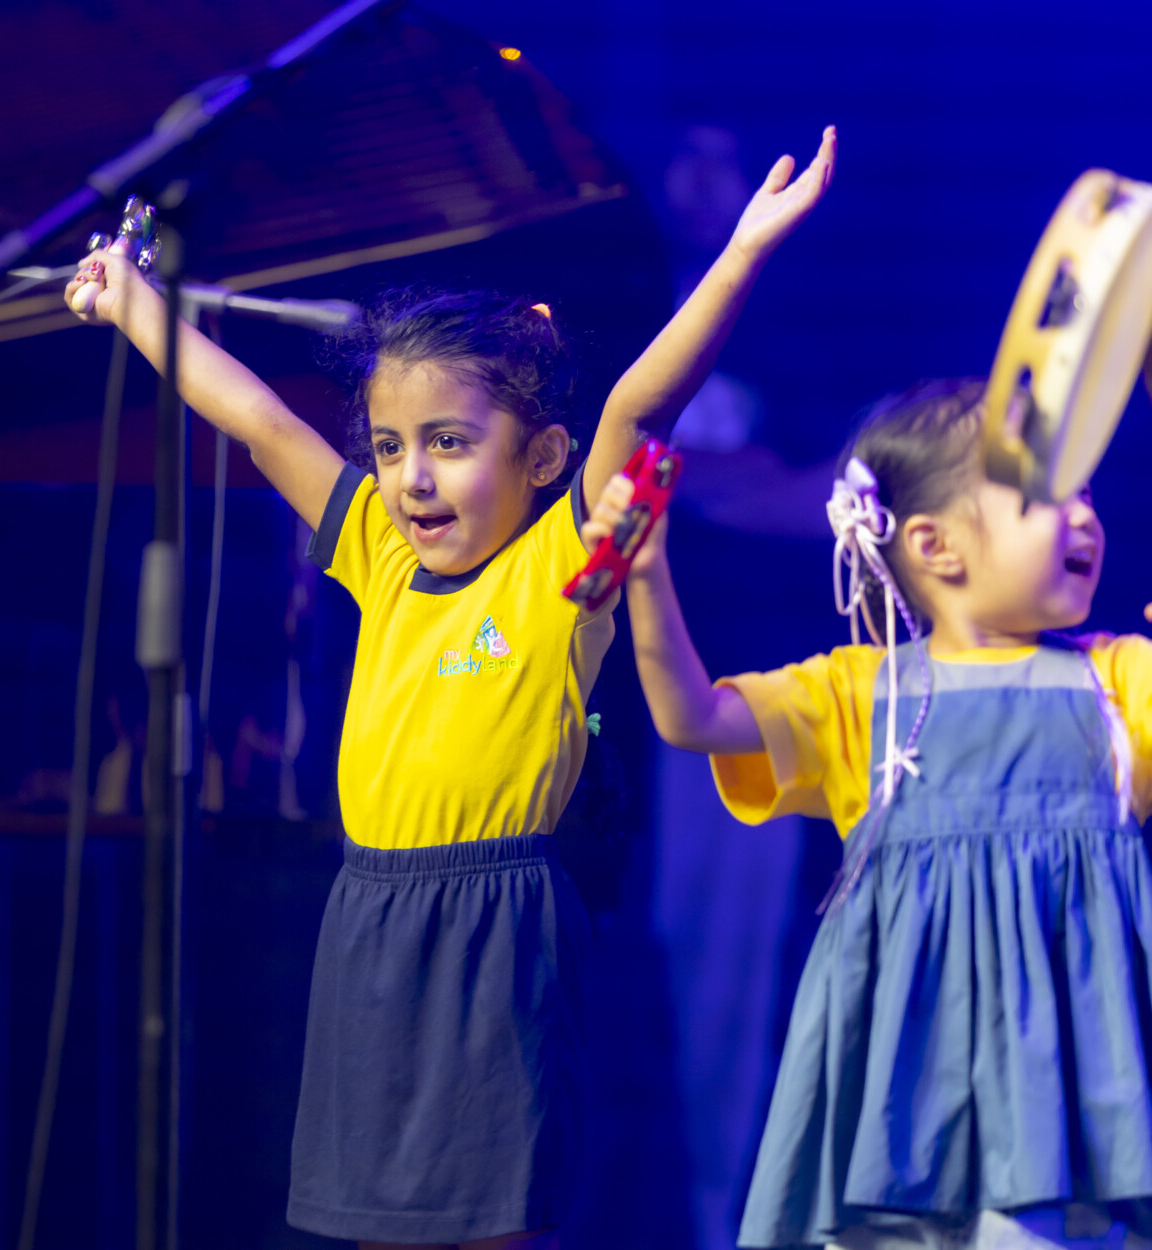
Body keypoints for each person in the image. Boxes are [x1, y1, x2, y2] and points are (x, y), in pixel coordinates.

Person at [65, 126, 835, 1250]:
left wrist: (741, 255)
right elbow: (258, 418)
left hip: (500, 931)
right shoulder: (376, 547)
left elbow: (638, 409)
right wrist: (136, 307)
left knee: (489, 1230)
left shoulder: (560, 569)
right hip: (368, 924)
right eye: (388, 444)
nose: (411, 475)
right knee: (377, 1222)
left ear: (540, 460)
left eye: (448, 442)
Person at [585, 377, 1152, 1249]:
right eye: (1046, 495)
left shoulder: (1118, 680)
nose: (1081, 515)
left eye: (1082, 489)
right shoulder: (861, 694)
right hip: (906, 1086)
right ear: (936, 545)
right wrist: (648, 573)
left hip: (1066, 1094)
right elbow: (693, 718)